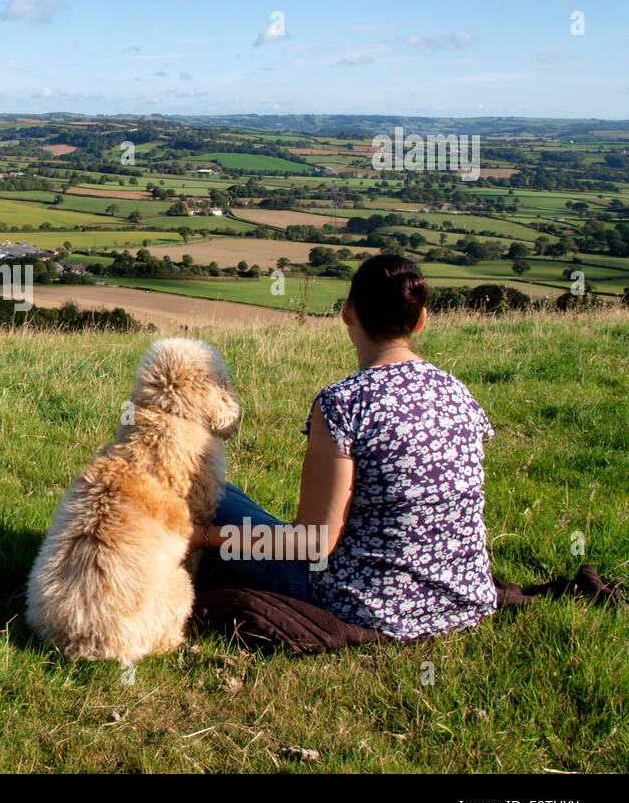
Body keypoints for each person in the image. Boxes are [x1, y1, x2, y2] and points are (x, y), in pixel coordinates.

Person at [194, 254, 498, 641]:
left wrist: (204, 537)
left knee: (217, 496)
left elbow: (312, 543)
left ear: (347, 313)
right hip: (464, 595)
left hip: (365, 603)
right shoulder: (458, 392)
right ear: (421, 320)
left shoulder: (343, 403)